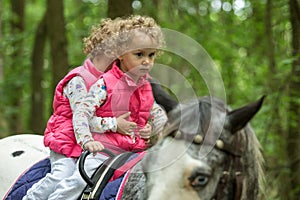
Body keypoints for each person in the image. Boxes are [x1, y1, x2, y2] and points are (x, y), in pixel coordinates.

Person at [23, 16, 172, 200]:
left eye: (151, 55)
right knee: (64, 177)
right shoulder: (85, 81)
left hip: (107, 144)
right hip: (69, 142)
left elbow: (143, 113)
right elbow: (83, 116)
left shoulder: (134, 83)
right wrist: (112, 126)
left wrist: (148, 130)